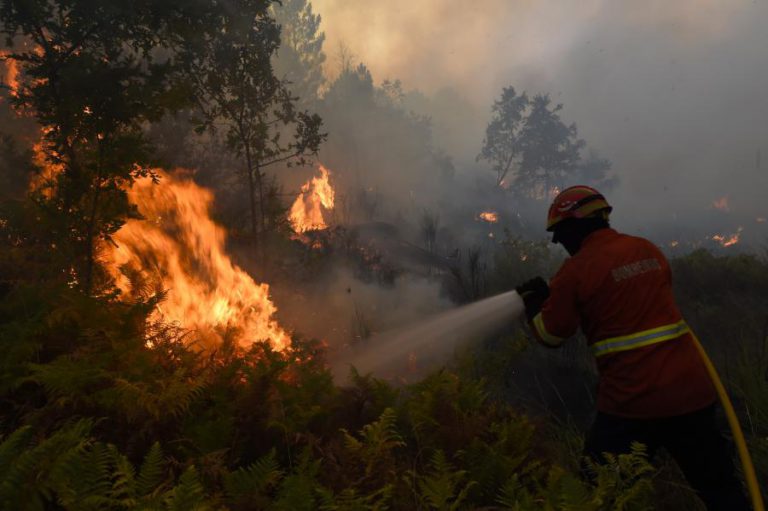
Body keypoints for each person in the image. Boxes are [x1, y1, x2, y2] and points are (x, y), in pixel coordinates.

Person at [516, 185, 749, 510]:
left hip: (632, 402)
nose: (556, 241)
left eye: (559, 231)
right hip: (692, 393)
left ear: (576, 224)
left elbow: (551, 336)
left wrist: (534, 306)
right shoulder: (647, 249)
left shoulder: (577, 270)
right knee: (721, 490)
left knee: (596, 496)